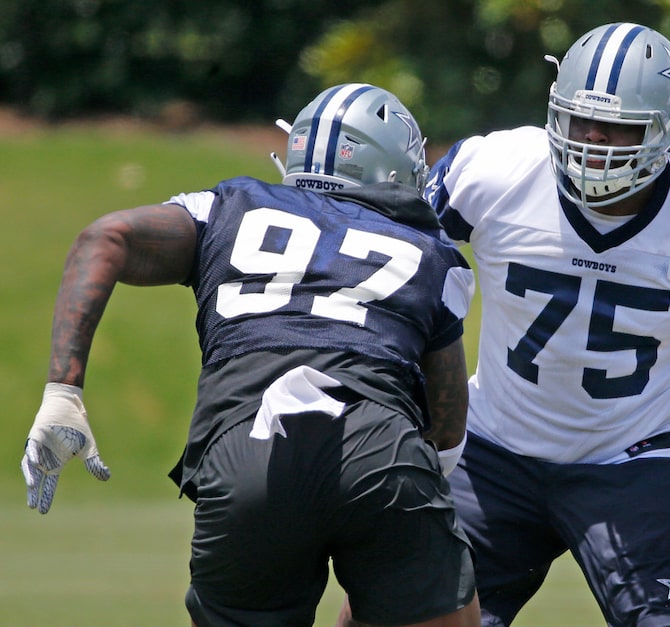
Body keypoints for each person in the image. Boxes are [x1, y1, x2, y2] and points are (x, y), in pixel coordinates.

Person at [21, 82, 481, 627]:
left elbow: (106, 237)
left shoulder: (229, 206)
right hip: (382, 451)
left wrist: (63, 391)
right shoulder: (432, 254)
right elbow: (447, 427)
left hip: (249, 450)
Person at [424, 22, 670, 627]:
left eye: (620, 128)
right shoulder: (495, 170)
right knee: (411, 619)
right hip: (495, 450)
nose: (595, 144)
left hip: (637, 461)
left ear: (668, 129)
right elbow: (407, 261)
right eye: (581, 122)